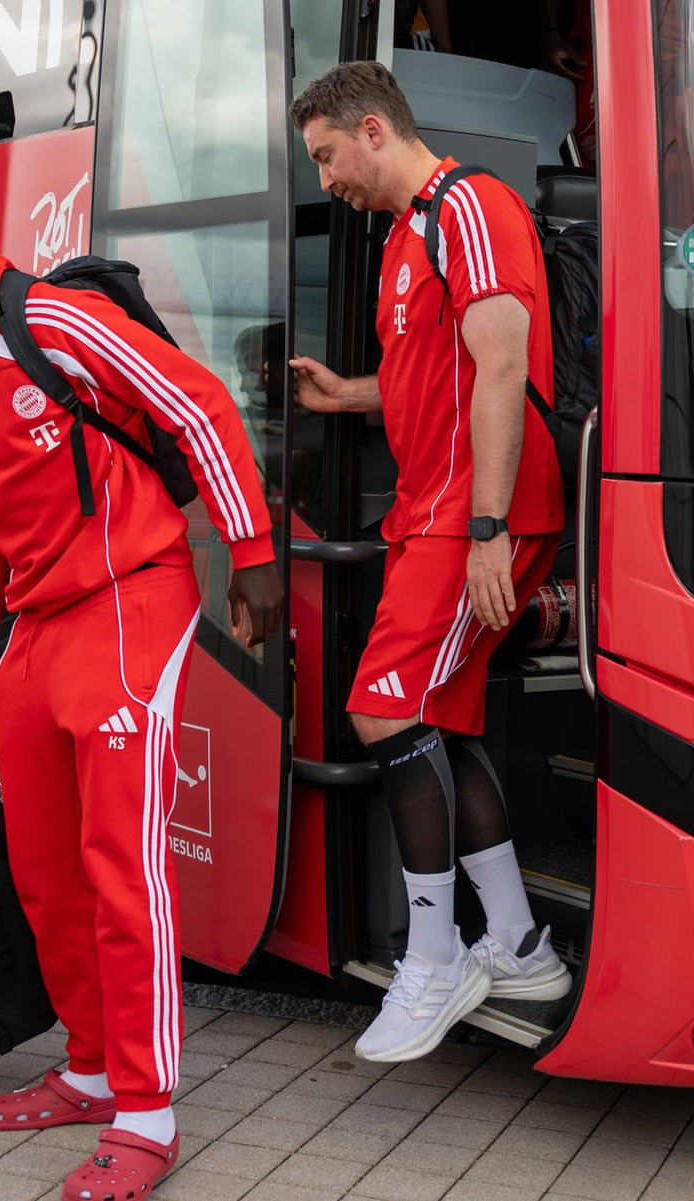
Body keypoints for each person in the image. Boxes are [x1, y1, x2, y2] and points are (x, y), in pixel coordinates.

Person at [0, 183, 283, 1198]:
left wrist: (252, 551)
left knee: (122, 863)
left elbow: (197, 402)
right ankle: (93, 1067)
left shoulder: (54, 318)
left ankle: (147, 1112)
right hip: (37, 630)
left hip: (130, 599)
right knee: (43, 867)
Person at [288, 62, 572, 1062]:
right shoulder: (409, 234)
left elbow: (503, 360)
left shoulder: (469, 206)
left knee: (383, 710)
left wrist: (489, 528)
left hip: (471, 517)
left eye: (327, 156)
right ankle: (519, 944)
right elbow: (434, 375)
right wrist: (348, 395)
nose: (326, 180)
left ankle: (438, 955)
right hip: (436, 513)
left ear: (373, 130)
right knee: (436, 721)